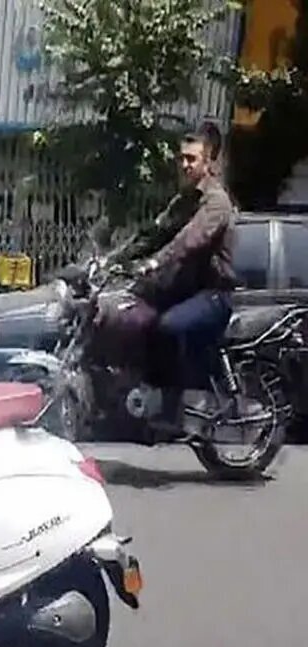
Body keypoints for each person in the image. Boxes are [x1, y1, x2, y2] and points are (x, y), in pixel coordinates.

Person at [106, 121, 239, 431]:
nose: (185, 164)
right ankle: (142, 391)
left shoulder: (216, 202)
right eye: (182, 158)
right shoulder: (182, 201)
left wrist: (154, 263)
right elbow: (154, 233)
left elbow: (187, 241)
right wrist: (113, 259)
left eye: (192, 159)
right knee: (135, 314)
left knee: (167, 326)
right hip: (185, 292)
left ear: (208, 162)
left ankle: (173, 407)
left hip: (213, 294)